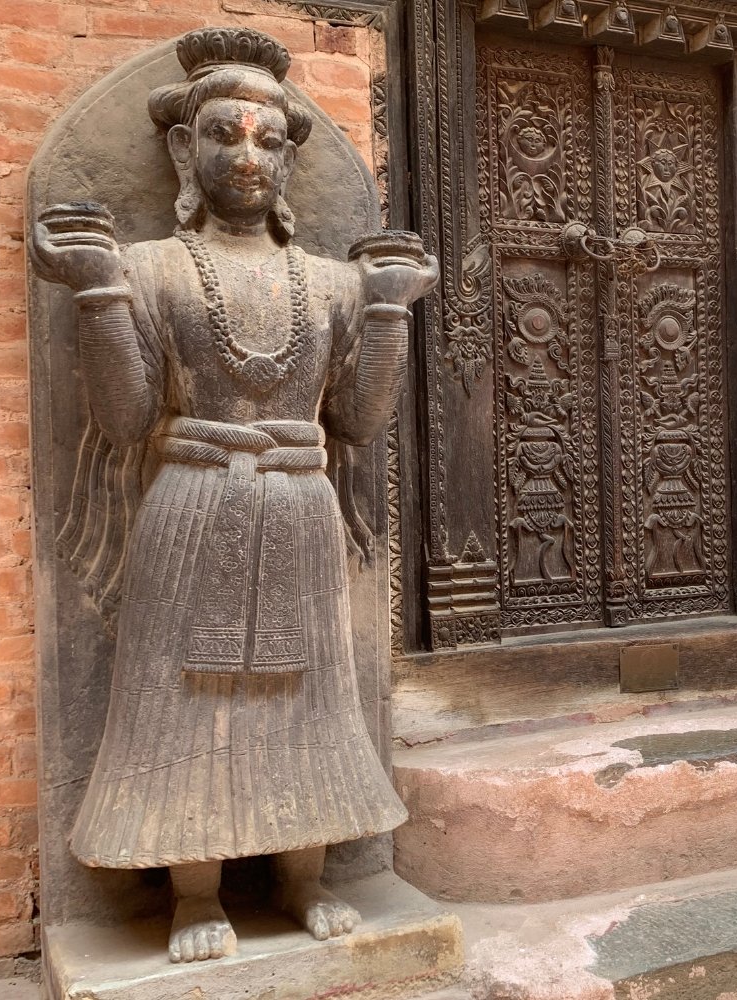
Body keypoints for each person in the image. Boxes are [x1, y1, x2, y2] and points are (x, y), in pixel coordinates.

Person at [30, 27, 438, 963]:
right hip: (191, 503)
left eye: (267, 139)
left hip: (298, 507)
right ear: (185, 150)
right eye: (224, 134)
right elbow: (126, 419)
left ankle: (304, 876)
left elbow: (359, 422)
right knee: (181, 701)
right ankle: (194, 892)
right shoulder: (150, 267)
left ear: (288, 160)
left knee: (309, 702)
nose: (247, 154)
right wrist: (97, 288)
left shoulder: (329, 283)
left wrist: (385, 306)